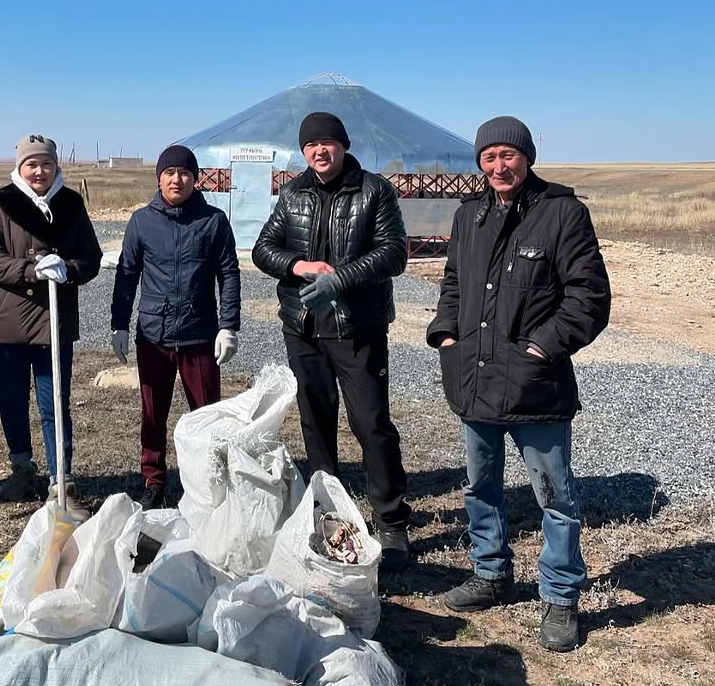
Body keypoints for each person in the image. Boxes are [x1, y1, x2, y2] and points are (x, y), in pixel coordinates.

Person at [427, 116, 611, 653]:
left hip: (536, 384)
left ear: (527, 157)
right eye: (489, 158)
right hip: (475, 379)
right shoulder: (471, 215)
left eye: (508, 155)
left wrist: (543, 347)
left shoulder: (562, 213)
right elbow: (454, 284)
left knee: (555, 496)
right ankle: (492, 574)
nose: (499, 166)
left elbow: (589, 297)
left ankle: (559, 596)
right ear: (479, 164)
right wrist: (445, 336)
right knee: (480, 487)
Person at [252, 111, 412, 568]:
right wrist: (298, 267)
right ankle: (331, 516)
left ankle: (391, 522)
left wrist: (340, 279)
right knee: (315, 421)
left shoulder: (373, 191)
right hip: (303, 327)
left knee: (371, 422)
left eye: (327, 143)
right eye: (311, 145)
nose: (319, 151)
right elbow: (265, 248)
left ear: (343, 145)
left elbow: (394, 253)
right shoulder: (293, 192)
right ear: (303, 152)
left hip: (356, 326)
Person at [0, 134, 102, 520]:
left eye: (46, 163)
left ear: (55, 166)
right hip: (7, 323)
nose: (39, 171)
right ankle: (22, 469)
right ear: (20, 167)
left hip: (53, 322)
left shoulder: (71, 205)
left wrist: (68, 270)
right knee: (12, 400)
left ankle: (60, 479)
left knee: (54, 404)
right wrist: (31, 270)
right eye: (32, 164)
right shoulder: (2, 204)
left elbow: (91, 257)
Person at [111, 144, 241, 509]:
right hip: (154, 335)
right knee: (153, 414)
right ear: (159, 178)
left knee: (206, 414)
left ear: (195, 179)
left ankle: (206, 481)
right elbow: (127, 275)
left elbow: (229, 274)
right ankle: (153, 481)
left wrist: (228, 325)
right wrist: (119, 324)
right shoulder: (142, 221)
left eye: (184, 173)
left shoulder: (213, 221)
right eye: (169, 173)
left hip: (201, 333)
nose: (177, 179)